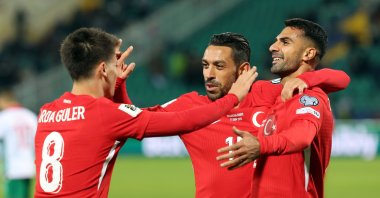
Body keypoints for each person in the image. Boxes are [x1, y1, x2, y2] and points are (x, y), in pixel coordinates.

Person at [119, 32, 350, 197]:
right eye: (205, 65)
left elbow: (340, 79)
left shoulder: (268, 92)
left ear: (243, 71)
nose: (208, 74)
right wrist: (119, 85)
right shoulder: (188, 106)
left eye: (219, 66)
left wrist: (306, 79)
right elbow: (133, 121)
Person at [33, 27, 257, 197]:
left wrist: (117, 87)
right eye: (115, 63)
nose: (118, 68)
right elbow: (183, 120)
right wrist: (233, 97)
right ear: (103, 69)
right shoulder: (106, 114)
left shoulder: (46, 112)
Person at [216, 18, 344, 198]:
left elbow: (301, 136)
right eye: (276, 41)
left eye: (284, 42)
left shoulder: (308, 96)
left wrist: (261, 145)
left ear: (308, 54)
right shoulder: (272, 90)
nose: (272, 47)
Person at [0, 87, 37, 198]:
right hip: (30, 166)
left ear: (3, 100)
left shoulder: (4, 117)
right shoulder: (30, 115)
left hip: (13, 169)